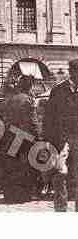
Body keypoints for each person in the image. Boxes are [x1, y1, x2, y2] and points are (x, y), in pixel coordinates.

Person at [45, 58, 78, 212]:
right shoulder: (58, 91)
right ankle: (61, 212)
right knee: (60, 178)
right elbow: (49, 119)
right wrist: (50, 143)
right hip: (62, 142)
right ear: (71, 73)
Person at [2, 75, 40, 203]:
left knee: (11, 165)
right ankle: (24, 195)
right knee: (26, 167)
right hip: (25, 138)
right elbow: (33, 121)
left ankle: (10, 194)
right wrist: (39, 137)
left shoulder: (10, 100)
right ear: (29, 87)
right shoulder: (28, 101)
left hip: (10, 136)